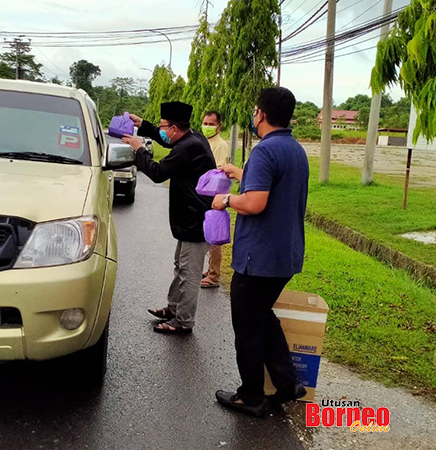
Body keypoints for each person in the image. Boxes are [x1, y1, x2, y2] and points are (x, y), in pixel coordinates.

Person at [211, 87, 309, 417]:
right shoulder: (294, 149)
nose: (254, 116)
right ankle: (288, 384)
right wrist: (240, 173)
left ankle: (250, 396)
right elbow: (271, 186)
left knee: (248, 326)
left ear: (262, 114)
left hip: (259, 259)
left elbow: (254, 202)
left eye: (255, 111)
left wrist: (226, 199)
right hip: (286, 256)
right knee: (263, 316)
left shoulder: (266, 151)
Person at [121, 101, 216, 334]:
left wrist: (139, 149)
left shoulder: (187, 147)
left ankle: (184, 321)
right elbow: (165, 139)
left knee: (190, 273)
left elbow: (157, 173)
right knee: (180, 267)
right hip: (189, 218)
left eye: (164, 126)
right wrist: (143, 125)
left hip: (196, 220)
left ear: (175, 128)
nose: (162, 130)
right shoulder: (189, 138)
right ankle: (174, 308)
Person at [200, 111, 230, 289]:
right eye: (205, 123)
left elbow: (218, 172)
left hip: (214, 196)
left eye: (211, 124)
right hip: (204, 194)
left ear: (219, 126)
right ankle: (210, 269)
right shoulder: (206, 142)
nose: (207, 127)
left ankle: (214, 276)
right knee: (207, 234)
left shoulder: (220, 145)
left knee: (214, 238)